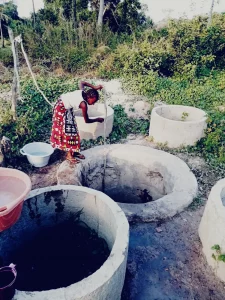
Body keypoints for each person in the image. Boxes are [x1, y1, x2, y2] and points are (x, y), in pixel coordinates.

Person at [50, 81, 104, 163]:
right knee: (69, 132)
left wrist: (94, 87)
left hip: (66, 107)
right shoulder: (83, 104)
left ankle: (74, 152)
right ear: (89, 97)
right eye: (94, 101)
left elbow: (82, 82)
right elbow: (87, 120)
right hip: (60, 109)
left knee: (73, 130)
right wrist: (97, 119)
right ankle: (69, 155)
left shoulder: (82, 91)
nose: (93, 104)